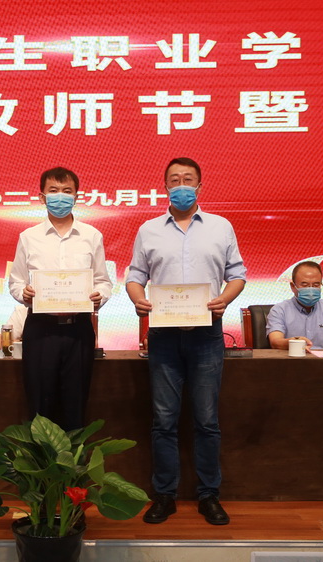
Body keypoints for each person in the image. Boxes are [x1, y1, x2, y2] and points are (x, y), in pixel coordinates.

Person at [126, 157, 246, 526]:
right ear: (165, 187)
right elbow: (135, 275)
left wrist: (224, 299)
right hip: (163, 336)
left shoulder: (221, 227)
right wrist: (137, 299)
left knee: (207, 420)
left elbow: (237, 274)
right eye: (175, 180)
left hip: (207, 335)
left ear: (199, 186)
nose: (181, 185)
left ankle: (209, 495)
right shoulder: (149, 230)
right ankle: (164, 495)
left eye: (188, 179)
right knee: (163, 420)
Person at [8, 167, 112, 431]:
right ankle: (42, 460)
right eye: (53, 191)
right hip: (40, 330)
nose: (60, 196)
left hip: (79, 330)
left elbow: (103, 281)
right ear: (41, 196)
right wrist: (24, 293)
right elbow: (16, 282)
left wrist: (99, 296)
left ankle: (72, 459)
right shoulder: (28, 237)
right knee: (40, 408)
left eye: (67, 191)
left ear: (77, 196)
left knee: (75, 407)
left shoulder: (91, 235)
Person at [266, 261, 323, 350]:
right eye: (305, 285)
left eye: (316, 285)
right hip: (293, 357)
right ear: (293, 286)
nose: (310, 289)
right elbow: (275, 342)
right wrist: (295, 343)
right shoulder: (279, 310)